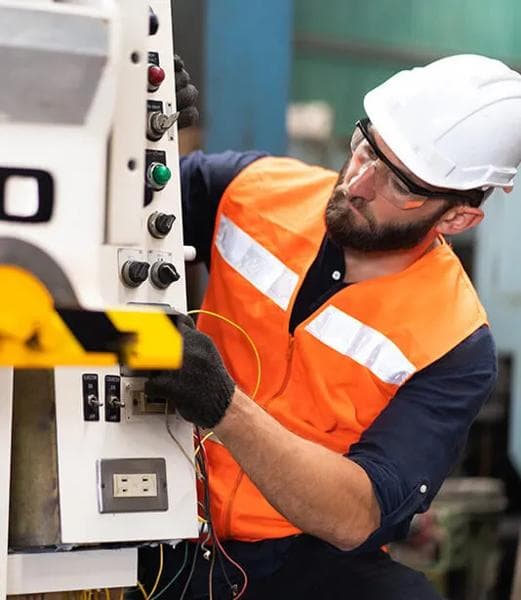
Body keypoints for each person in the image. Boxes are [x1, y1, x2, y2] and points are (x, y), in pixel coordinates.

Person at [140, 54, 521, 599]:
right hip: (162, 524)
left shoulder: (456, 343)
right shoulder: (251, 191)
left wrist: (223, 406)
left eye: (401, 185)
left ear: (457, 218)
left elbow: (357, 514)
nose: (360, 184)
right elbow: (116, 215)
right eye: (367, 146)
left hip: (297, 560)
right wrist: (135, 135)